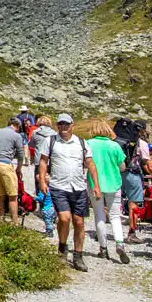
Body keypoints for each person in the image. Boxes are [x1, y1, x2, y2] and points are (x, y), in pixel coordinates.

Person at [39, 113, 100, 272]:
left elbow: (90, 164)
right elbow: (43, 161)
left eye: (66, 124)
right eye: (60, 124)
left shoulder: (81, 142)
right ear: (57, 126)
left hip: (78, 187)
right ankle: (62, 248)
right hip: (59, 186)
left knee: (79, 221)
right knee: (64, 218)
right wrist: (42, 181)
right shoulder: (50, 141)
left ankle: (78, 256)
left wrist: (96, 185)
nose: (63, 127)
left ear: (72, 125)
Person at [85, 127, 130, 264]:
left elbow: (85, 163)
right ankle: (119, 243)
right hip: (114, 183)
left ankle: (103, 248)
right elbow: (122, 166)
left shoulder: (88, 143)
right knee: (115, 216)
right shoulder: (115, 145)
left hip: (95, 184)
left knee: (99, 215)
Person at [0, 116, 27, 225]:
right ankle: (15, 222)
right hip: (5, 164)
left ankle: (0, 219)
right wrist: (19, 169)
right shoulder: (16, 136)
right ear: (18, 126)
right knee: (13, 195)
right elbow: (20, 154)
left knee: (0, 194)